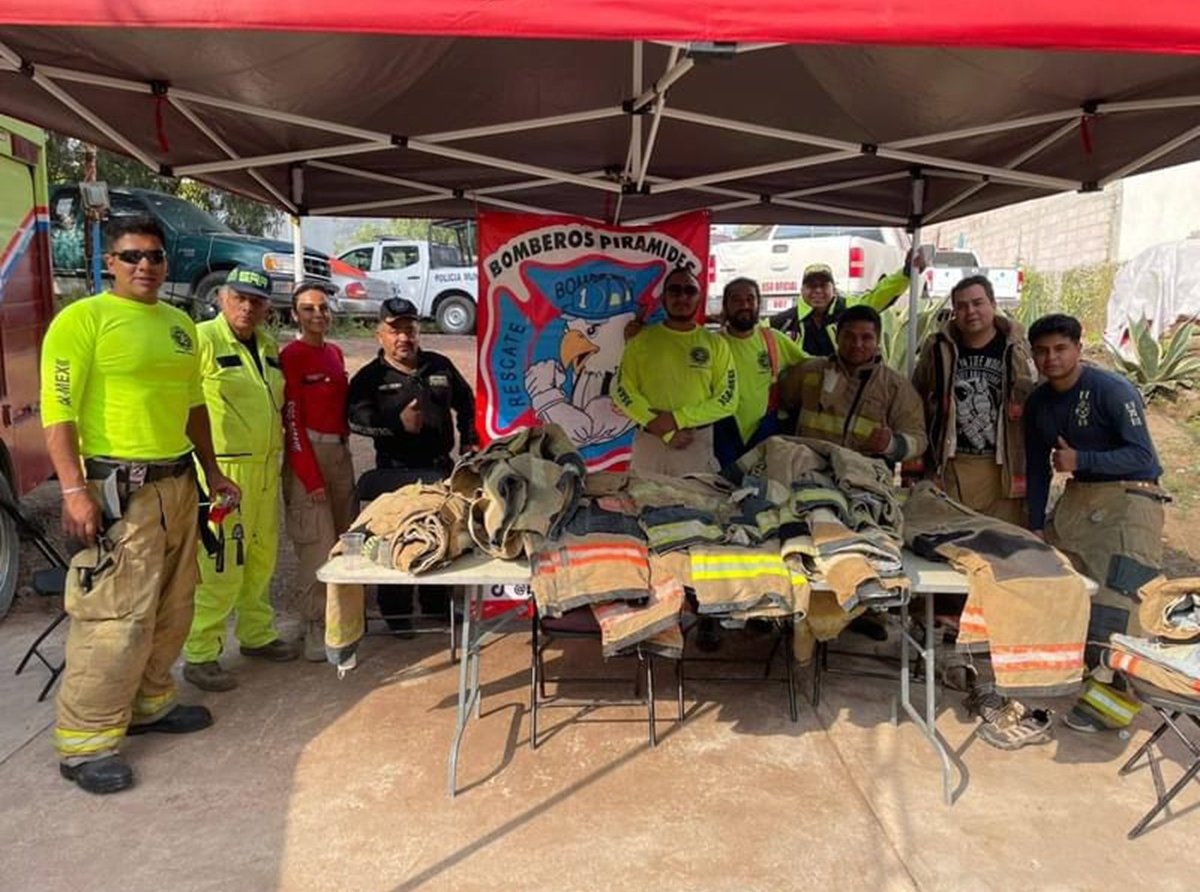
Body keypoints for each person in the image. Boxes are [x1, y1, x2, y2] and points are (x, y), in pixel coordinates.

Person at [40, 215, 240, 794]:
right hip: (119, 488)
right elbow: (59, 411)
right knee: (115, 617)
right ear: (109, 262)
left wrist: (214, 471)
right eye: (131, 256)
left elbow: (194, 405)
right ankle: (86, 742)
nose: (145, 266)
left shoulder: (180, 325)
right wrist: (74, 490)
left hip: (178, 483)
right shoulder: (82, 321)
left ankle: (151, 702)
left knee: (175, 605)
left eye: (154, 256)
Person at [1024, 313, 1169, 733]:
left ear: (1078, 348)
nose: (1051, 358)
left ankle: (1111, 710)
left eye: (1060, 349)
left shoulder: (1112, 390)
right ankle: (1077, 679)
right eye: (1042, 351)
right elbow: (1037, 467)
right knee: (1061, 590)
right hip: (1078, 503)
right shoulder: (1039, 402)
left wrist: (1080, 460)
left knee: (1118, 607)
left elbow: (1146, 458)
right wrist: (1035, 524)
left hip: (1129, 501)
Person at [182, 267, 296, 692]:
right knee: (220, 562)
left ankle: (256, 633)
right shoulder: (202, 340)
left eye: (257, 301)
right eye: (239, 298)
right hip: (224, 472)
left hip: (266, 468)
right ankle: (201, 653)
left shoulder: (267, 345)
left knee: (262, 554)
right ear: (222, 298)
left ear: (268, 307)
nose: (247, 307)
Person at [347, 297, 476, 628]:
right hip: (394, 473)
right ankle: (397, 614)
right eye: (395, 331)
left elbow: (466, 401)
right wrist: (395, 422)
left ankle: (437, 607)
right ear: (380, 335)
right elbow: (355, 419)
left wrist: (470, 438)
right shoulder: (369, 378)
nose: (403, 337)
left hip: (439, 470)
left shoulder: (439, 366)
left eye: (409, 330)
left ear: (418, 333)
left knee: (444, 537)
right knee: (394, 541)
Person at [912, 275, 1037, 526]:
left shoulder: (1018, 349)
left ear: (992, 303)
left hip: (1002, 468)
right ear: (954, 311)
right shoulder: (938, 349)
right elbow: (917, 400)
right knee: (953, 543)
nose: (971, 311)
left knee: (1001, 544)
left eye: (978, 303)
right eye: (962, 306)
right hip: (952, 466)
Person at [280, 281, 358, 662]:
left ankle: (340, 619)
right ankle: (313, 623)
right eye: (308, 309)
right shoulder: (291, 356)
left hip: (339, 454)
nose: (317, 315)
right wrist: (309, 478)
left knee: (345, 541)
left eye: (323, 308)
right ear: (296, 314)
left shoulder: (335, 353)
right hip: (307, 455)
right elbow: (291, 420)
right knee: (316, 545)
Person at [614, 267, 738, 474]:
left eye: (690, 291)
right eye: (675, 290)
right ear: (663, 298)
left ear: (699, 298)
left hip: (695, 443)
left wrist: (678, 419)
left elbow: (727, 399)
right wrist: (656, 425)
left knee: (694, 505)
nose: (682, 296)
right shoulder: (642, 341)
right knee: (642, 504)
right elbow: (622, 390)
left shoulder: (716, 344)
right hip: (650, 443)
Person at [778, 304, 927, 465]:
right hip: (808, 471)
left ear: (877, 340)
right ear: (837, 336)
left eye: (866, 337)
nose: (857, 344)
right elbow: (781, 402)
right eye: (849, 336)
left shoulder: (895, 387)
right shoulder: (808, 372)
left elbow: (919, 439)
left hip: (863, 478)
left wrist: (892, 444)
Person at [713, 276, 808, 467]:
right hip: (722, 430)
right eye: (737, 300)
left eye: (750, 299)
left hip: (765, 430)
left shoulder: (773, 339)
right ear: (725, 305)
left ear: (758, 303)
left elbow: (812, 363)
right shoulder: (712, 344)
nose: (744, 305)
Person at [770, 254, 920, 357]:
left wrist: (906, 273)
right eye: (811, 286)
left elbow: (879, 295)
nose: (817, 291)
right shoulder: (784, 322)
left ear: (833, 289)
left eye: (823, 286)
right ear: (801, 290)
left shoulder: (849, 309)